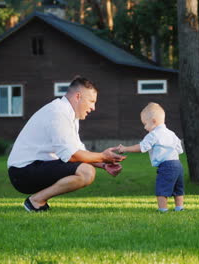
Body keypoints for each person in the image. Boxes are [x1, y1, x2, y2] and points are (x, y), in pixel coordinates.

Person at [7, 76, 125, 212]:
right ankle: (35, 201)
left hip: (34, 167)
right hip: (22, 172)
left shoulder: (69, 114)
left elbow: (78, 150)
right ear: (78, 96)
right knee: (86, 172)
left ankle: (37, 201)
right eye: (91, 101)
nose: (93, 107)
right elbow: (72, 156)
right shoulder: (58, 113)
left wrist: (104, 164)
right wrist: (103, 156)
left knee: (86, 169)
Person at [118, 102, 184, 212]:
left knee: (161, 188)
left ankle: (162, 209)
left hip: (166, 165)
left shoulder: (153, 135)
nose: (145, 127)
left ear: (153, 121)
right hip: (178, 164)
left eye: (145, 124)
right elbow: (180, 149)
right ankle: (179, 207)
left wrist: (125, 149)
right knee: (178, 188)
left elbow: (141, 147)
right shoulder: (171, 133)